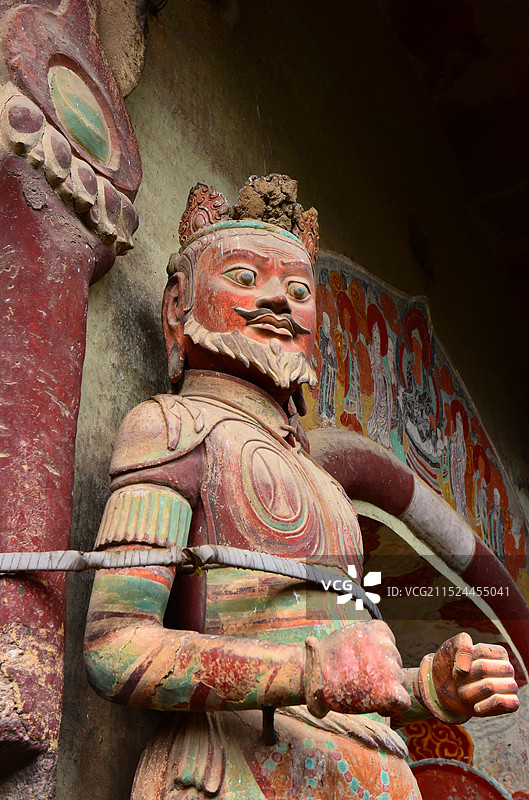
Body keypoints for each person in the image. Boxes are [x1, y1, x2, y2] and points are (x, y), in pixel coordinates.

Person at [84, 175, 519, 800]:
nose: (280, 303)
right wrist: (307, 671)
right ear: (178, 303)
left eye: (297, 289)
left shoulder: (328, 487)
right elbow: (115, 647)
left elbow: (353, 674)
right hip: (243, 770)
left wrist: (425, 689)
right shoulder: (173, 428)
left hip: (376, 775)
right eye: (242, 276)